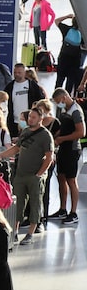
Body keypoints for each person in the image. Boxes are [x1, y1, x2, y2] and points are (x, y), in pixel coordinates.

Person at [0, 106, 54, 245]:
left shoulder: (45, 135)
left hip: (34, 175)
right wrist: (1, 155)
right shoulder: (26, 132)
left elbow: (49, 157)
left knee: (35, 203)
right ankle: (14, 232)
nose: (30, 119)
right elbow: (17, 148)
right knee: (17, 204)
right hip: (20, 174)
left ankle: (30, 233)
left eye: (33, 117)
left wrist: (39, 174)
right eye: (30, 116)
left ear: (40, 119)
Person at [48, 88, 84, 224]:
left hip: (72, 149)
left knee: (71, 180)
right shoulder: (64, 110)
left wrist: (63, 139)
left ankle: (73, 212)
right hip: (62, 149)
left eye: (59, 102)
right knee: (61, 177)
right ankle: (62, 209)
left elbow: (81, 132)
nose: (58, 104)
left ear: (64, 97)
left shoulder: (75, 111)